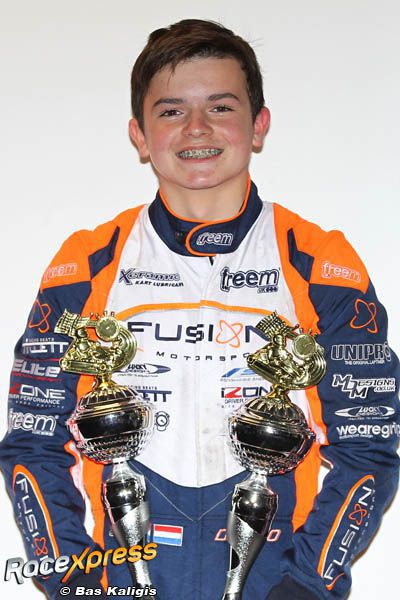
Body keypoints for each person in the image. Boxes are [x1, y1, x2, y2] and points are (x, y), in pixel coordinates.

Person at [0, 18, 398, 600]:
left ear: (258, 125)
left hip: (273, 581)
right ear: (139, 135)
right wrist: (72, 579)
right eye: (171, 111)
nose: (196, 128)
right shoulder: (85, 263)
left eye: (220, 107)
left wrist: (307, 584)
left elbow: (367, 445)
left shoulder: (320, 262)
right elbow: (32, 442)